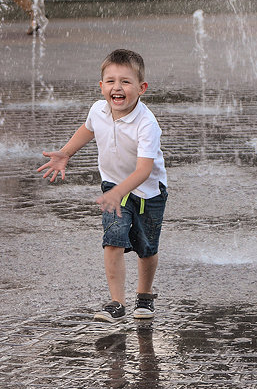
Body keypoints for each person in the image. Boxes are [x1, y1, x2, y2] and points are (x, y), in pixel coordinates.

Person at [38, 49, 168, 324]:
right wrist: (66, 153)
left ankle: (144, 296)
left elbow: (144, 170)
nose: (117, 88)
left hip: (148, 192)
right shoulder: (98, 109)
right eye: (110, 81)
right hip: (114, 188)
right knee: (113, 241)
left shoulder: (147, 123)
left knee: (147, 248)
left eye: (125, 82)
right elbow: (88, 129)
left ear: (142, 88)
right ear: (101, 87)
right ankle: (117, 303)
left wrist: (121, 191)